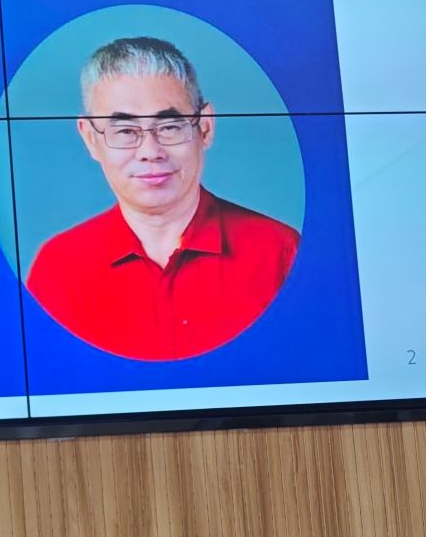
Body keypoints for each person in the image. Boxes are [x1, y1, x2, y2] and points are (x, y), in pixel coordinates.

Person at [25, 36, 300, 361]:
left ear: (205, 127)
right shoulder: (59, 270)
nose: (150, 152)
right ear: (90, 139)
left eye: (169, 126)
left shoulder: (279, 253)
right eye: (125, 131)